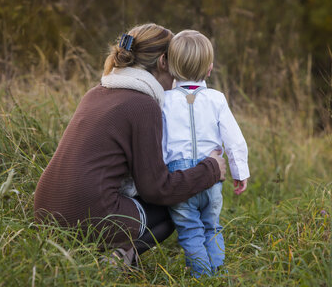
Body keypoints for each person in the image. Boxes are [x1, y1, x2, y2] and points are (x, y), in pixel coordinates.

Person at [34, 23, 226, 266]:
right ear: (164, 62)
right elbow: (157, 189)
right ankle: (115, 259)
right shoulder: (143, 105)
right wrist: (211, 169)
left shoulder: (97, 92)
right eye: (176, 62)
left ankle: (100, 254)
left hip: (44, 215)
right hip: (86, 216)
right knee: (171, 207)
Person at [162, 30, 250, 277]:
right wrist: (240, 171)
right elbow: (235, 140)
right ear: (210, 69)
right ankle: (218, 271)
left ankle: (202, 277)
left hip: (180, 177)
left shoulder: (164, 101)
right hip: (212, 176)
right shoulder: (217, 99)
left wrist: (160, 171)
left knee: (190, 230)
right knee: (212, 226)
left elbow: (159, 142)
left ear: (169, 67)